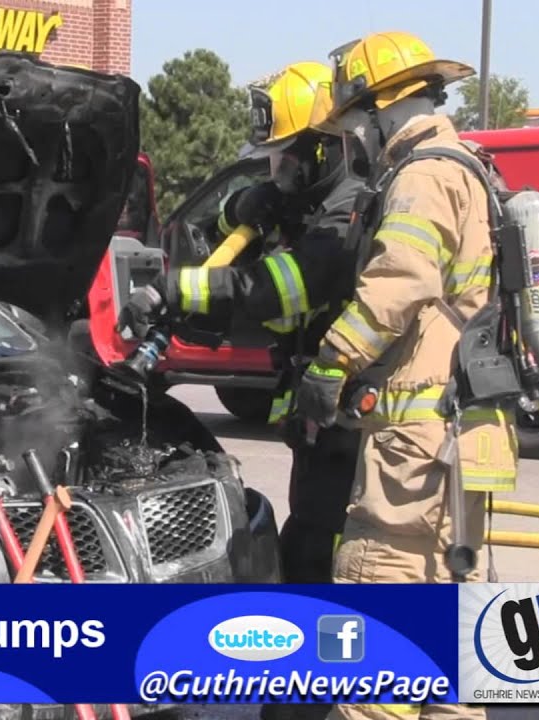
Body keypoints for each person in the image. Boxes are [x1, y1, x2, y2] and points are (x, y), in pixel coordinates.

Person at [292, 31, 519, 720]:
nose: (350, 140)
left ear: (380, 109)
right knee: (449, 642)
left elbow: (401, 282)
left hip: (416, 446)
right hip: (469, 435)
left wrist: (331, 362)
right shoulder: (472, 165)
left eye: (352, 122)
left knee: (378, 630)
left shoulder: (420, 175)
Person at [120, 61, 366, 582]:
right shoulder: (311, 203)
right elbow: (225, 223)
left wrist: (173, 288)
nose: (274, 171)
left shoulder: (347, 217)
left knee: (324, 552)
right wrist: (247, 202)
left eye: (282, 159)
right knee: (306, 534)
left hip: (353, 423)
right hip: (318, 417)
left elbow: (270, 290)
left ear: (319, 150)